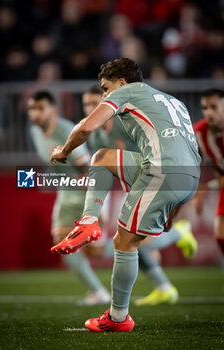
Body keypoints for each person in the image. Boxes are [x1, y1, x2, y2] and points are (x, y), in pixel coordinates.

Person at [50, 58, 201, 332]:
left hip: (162, 173)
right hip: (188, 176)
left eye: (106, 89)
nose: (105, 96)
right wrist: (172, 211)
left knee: (124, 242)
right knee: (103, 157)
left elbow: (86, 127)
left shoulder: (125, 92)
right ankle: (89, 221)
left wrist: (63, 151)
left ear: (121, 82)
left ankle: (118, 318)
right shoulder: (173, 101)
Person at [85, 85, 198, 306]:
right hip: (134, 184)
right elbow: (103, 176)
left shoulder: (126, 123)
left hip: (156, 179)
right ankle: (164, 288)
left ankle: (177, 234)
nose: (90, 108)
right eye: (86, 105)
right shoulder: (96, 138)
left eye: (94, 103)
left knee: (131, 242)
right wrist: (100, 210)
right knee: (133, 242)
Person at [28, 90, 111, 305]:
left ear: (53, 110)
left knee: (97, 250)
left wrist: (95, 208)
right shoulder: (35, 132)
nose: (34, 113)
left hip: (87, 191)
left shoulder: (66, 130)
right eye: (31, 109)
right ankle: (98, 291)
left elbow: (85, 168)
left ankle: (142, 244)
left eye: (39, 108)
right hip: (67, 192)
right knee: (64, 242)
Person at [193, 89, 224, 257]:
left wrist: (207, 187)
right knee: (220, 235)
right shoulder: (200, 132)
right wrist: (198, 190)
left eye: (214, 107)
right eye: (205, 108)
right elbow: (197, 161)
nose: (209, 113)